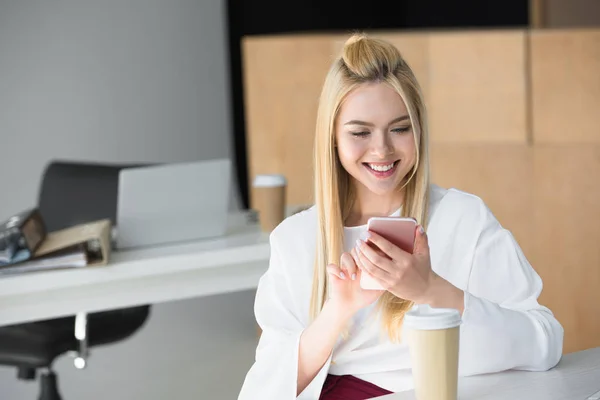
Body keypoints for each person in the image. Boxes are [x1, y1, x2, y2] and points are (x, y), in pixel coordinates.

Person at [238, 33, 564, 400]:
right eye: (360, 132)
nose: (381, 150)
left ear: (419, 129)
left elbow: (544, 342)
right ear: (332, 137)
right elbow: (263, 390)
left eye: (400, 128)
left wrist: (430, 289)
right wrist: (338, 310)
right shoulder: (295, 239)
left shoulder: (462, 218)